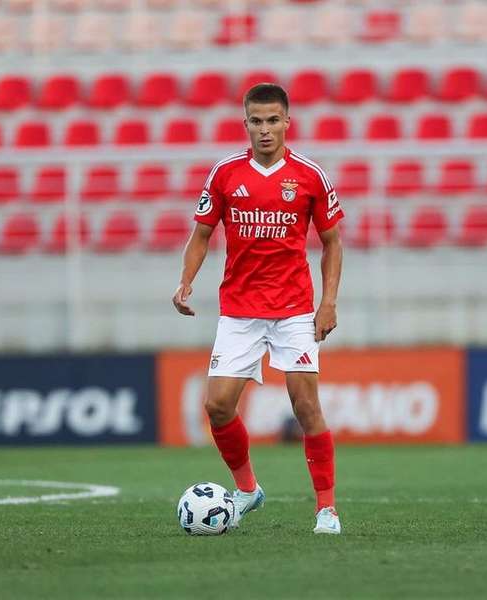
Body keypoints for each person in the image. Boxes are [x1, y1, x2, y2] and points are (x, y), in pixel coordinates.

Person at [171, 83, 344, 535]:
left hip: (292, 310)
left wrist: (327, 303)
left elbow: (331, 243)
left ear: (287, 122)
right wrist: (186, 281)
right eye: (256, 121)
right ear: (245, 123)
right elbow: (202, 234)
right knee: (218, 406)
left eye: (272, 120)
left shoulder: (310, 176)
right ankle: (247, 489)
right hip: (240, 310)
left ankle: (326, 509)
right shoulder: (225, 174)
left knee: (306, 405)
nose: (264, 129)